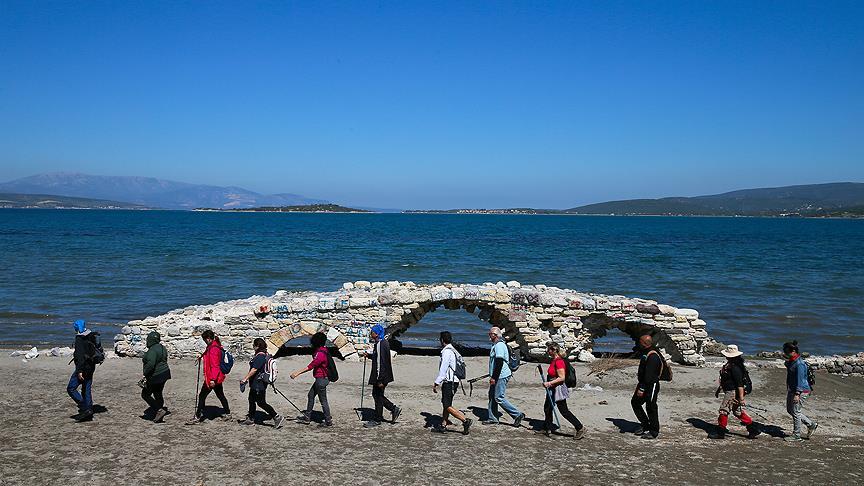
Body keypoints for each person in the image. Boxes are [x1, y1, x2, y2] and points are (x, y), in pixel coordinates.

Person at [708, 344, 759, 439]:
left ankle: (720, 432)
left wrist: (741, 399)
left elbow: (739, 385)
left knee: (724, 410)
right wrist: (720, 389)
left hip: (732, 392)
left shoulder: (734, 368)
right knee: (737, 412)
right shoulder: (733, 365)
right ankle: (753, 429)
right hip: (732, 391)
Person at [537, 342, 585, 439]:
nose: (547, 351)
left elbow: (562, 378)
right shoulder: (554, 360)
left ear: (554, 350)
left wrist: (549, 383)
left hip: (557, 388)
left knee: (564, 410)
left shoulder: (559, 361)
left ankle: (580, 428)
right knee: (547, 407)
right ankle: (547, 427)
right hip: (552, 388)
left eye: (549, 350)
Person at [187, 330, 231, 424]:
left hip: (212, 378)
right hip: (217, 377)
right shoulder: (214, 345)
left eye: (204, 340)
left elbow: (215, 365)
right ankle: (228, 413)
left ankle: (198, 416)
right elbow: (208, 355)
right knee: (220, 395)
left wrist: (212, 380)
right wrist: (201, 357)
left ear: (208, 339)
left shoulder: (213, 349)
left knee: (202, 396)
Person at [432, 331, 472, 435]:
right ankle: (443, 424)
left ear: (442, 340)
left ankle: (465, 420)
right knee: (446, 404)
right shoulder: (454, 350)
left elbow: (443, 369)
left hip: (449, 382)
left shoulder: (446, 352)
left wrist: (437, 382)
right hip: (455, 381)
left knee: (447, 405)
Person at [483, 326, 525, 427]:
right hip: (498, 374)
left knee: (498, 397)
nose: (489, 335)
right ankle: (493, 418)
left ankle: (517, 415)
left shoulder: (499, 346)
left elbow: (499, 362)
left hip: (501, 375)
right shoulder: (496, 345)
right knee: (492, 396)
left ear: (495, 335)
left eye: (490, 334)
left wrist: (494, 377)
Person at [238, 338, 284, 428]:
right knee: (251, 400)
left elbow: (254, 369)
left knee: (261, 402)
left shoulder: (260, 356)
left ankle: (276, 417)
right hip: (257, 383)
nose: (253, 346)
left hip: (258, 383)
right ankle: (250, 419)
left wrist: (245, 379)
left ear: (257, 346)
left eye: (254, 345)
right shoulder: (263, 354)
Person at [290, 332, 333, 427]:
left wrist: (297, 373)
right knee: (310, 395)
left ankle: (328, 420)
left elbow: (310, 366)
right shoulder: (323, 349)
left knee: (323, 400)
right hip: (322, 379)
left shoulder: (320, 354)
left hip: (321, 379)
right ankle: (307, 417)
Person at [364, 324, 401, 428]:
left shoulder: (381, 344)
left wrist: (380, 380)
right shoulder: (380, 343)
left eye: (372, 332)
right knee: (377, 395)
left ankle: (381, 417)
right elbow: (378, 358)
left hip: (381, 375)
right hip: (383, 375)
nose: (371, 333)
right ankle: (389, 411)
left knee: (378, 396)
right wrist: (370, 356)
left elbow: (381, 363)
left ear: (376, 333)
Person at [783, 340, 817, 442]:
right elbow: (790, 368)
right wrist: (787, 361)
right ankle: (811, 425)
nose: (785, 354)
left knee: (796, 411)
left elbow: (801, 380)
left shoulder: (799, 364)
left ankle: (796, 435)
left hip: (801, 391)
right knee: (790, 410)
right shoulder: (792, 361)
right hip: (792, 389)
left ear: (793, 351)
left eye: (787, 352)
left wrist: (797, 394)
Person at [631, 334, 662, 439]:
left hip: (651, 385)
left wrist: (642, 388)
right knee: (635, 402)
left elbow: (649, 376)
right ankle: (645, 424)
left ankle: (654, 431)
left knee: (651, 407)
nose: (638, 343)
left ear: (644, 343)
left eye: (640, 342)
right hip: (643, 383)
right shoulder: (646, 352)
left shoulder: (653, 356)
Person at [68, 319, 97, 422]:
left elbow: (80, 357)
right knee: (86, 389)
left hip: (83, 368)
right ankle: (89, 410)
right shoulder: (91, 335)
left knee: (71, 388)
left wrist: (79, 371)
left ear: (76, 327)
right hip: (91, 366)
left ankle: (85, 407)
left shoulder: (80, 339)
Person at [141, 331, 171, 423]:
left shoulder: (152, 350)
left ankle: (159, 410)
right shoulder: (162, 347)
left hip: (156, 375)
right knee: (158, 393)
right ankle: (159, 413)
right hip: (165, 373)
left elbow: (150, 364)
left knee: (145, 394)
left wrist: (145, 373)